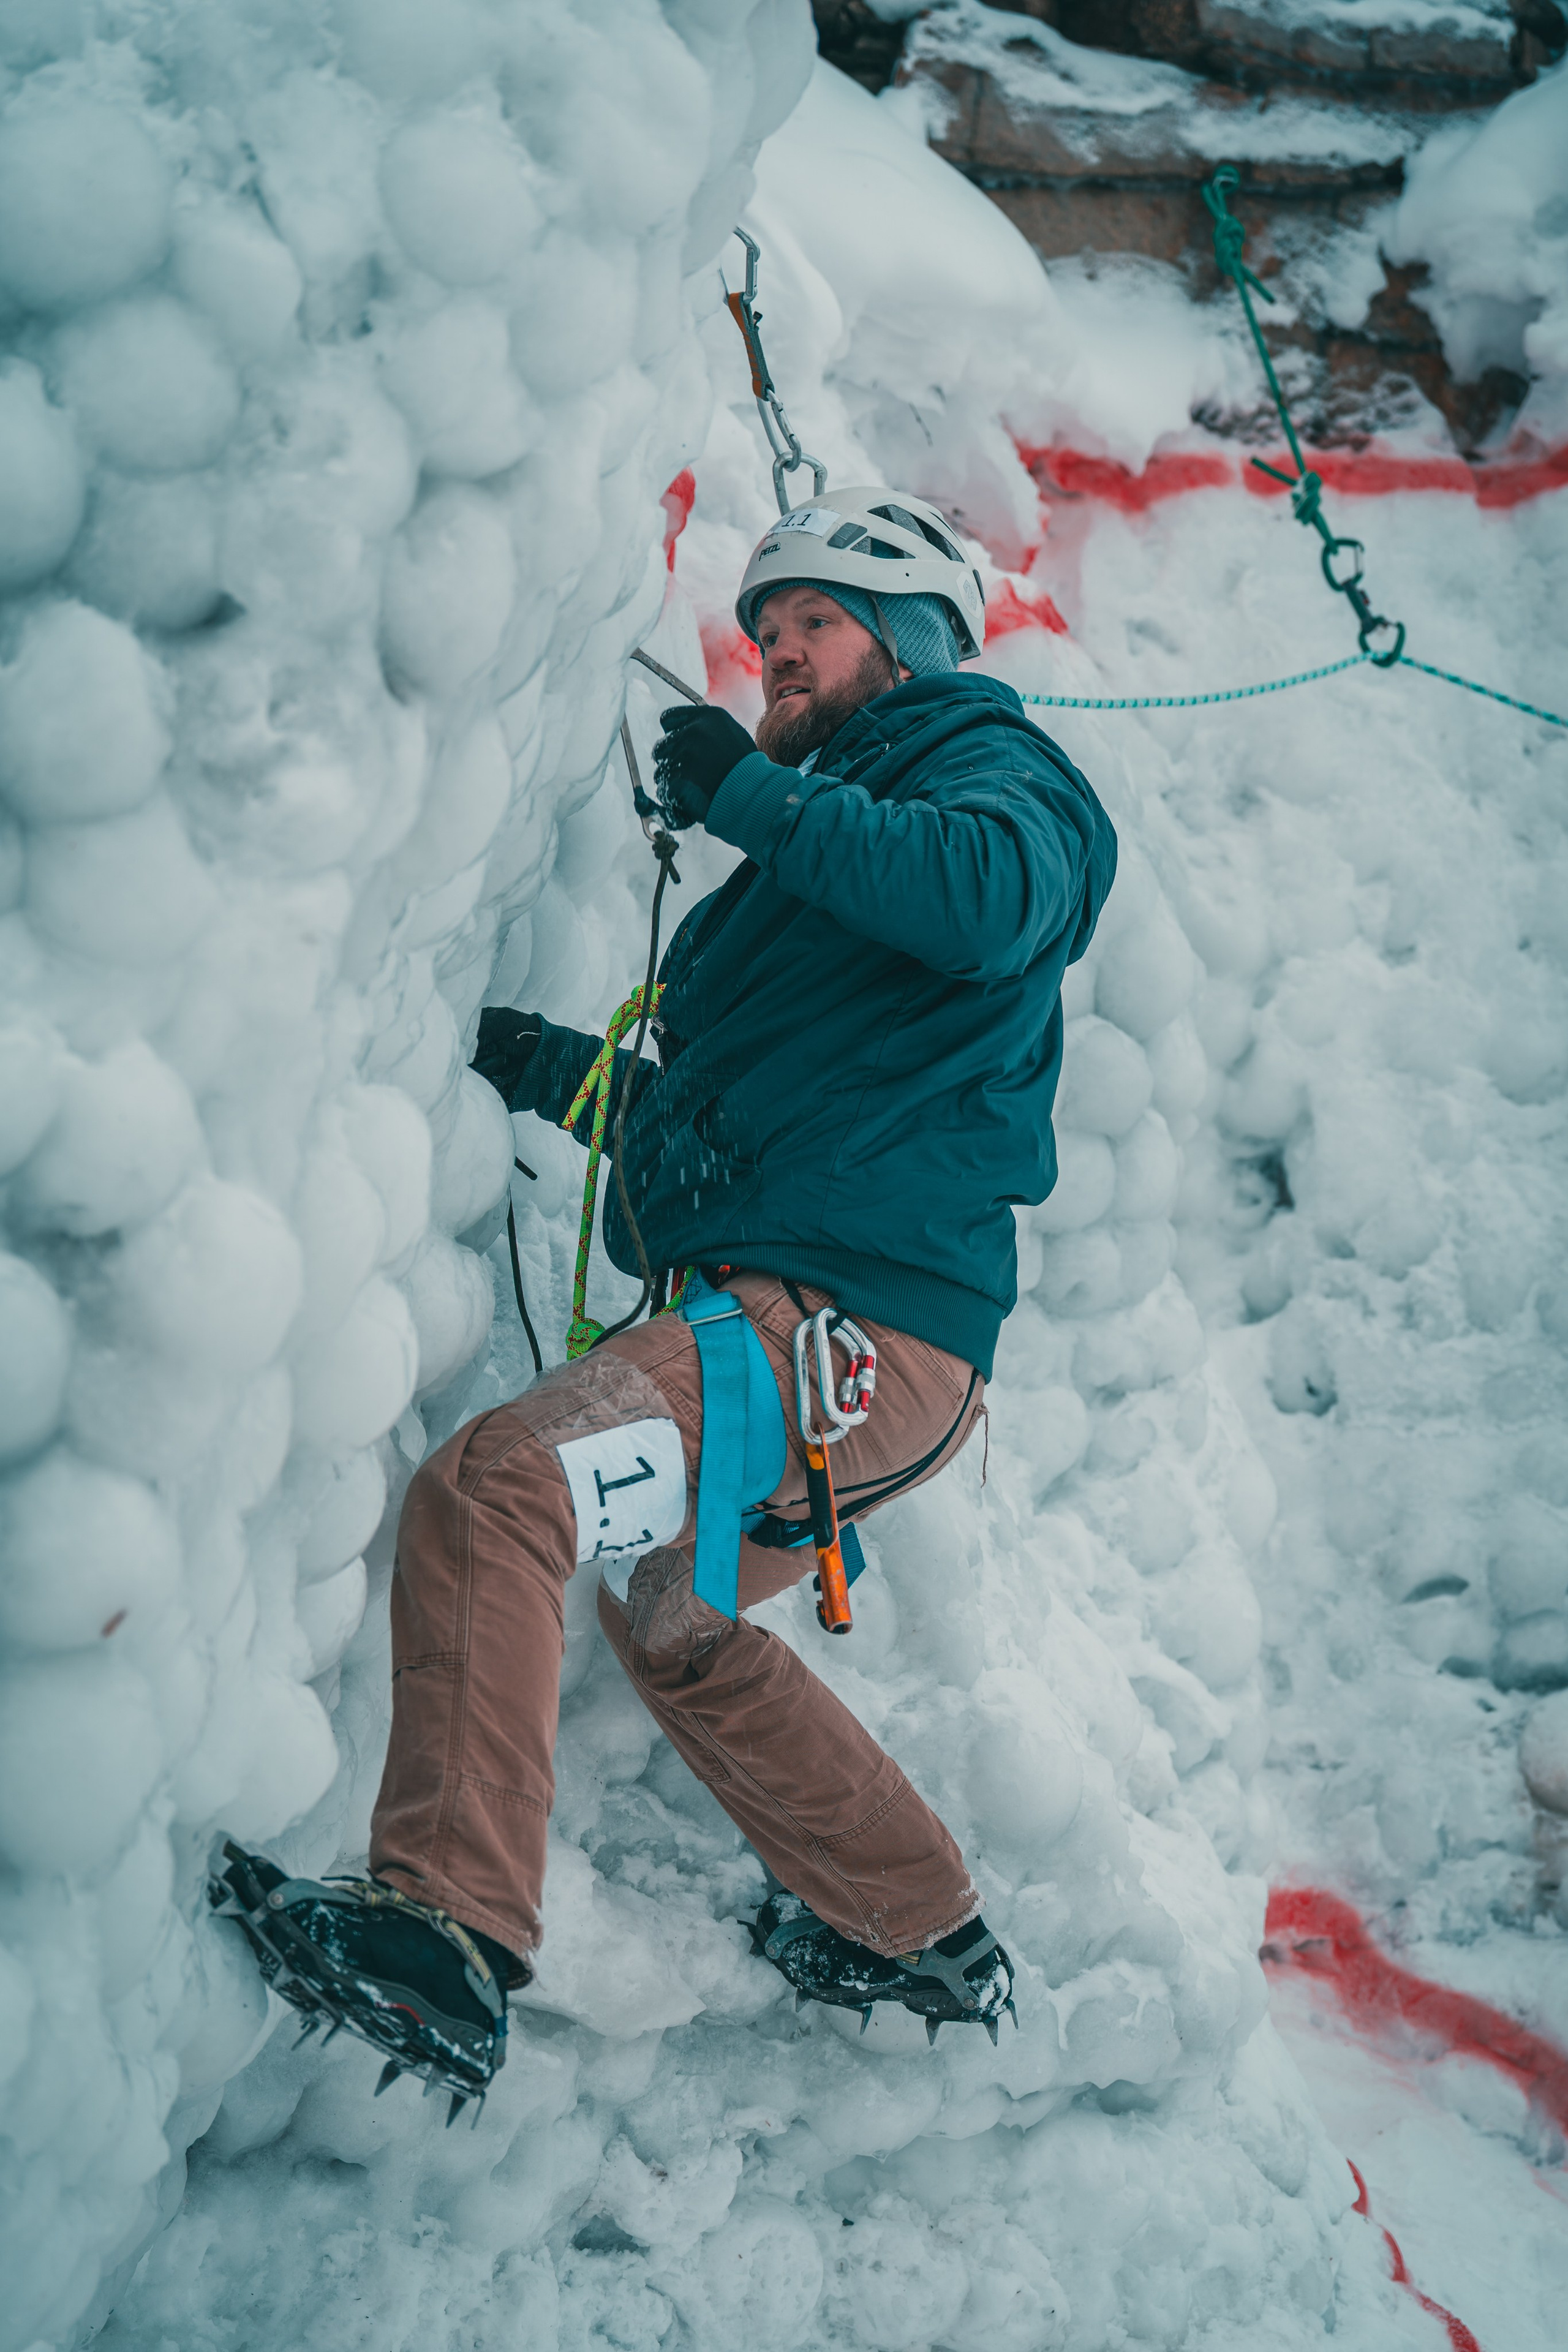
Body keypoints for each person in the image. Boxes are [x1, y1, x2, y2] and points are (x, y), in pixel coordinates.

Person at [211, 488, 1117, 2110]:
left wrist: (762, 804)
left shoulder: (995, 772)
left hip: (825, 1331)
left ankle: (445, 1930)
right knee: (681, 1627)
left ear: (909, 644)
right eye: (764, 639)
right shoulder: (819, 882)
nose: (774, 658)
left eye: (811, 631)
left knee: (497, 1491)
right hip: (817, 1346)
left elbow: (991, 899)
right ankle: (919, 1938)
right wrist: (531, 1065)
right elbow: (730, 1129)